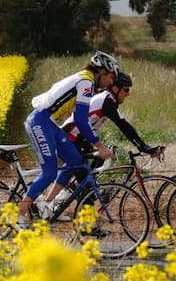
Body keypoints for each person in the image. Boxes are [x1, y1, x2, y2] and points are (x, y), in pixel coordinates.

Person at [36, 71, 164, 218]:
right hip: (70, 137)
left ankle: (53, 204)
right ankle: (77, 219)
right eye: (126, 89)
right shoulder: (107, 101)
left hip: (79, 139)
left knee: (87, 174)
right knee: (87, 184)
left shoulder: (107, 100)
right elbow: (125, 127)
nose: (128, 94)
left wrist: (142, 147)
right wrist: (144, 147)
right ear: (115, 89)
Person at [14, 51, 119, 227]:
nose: (111, 82)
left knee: (75, 161)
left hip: (49, 123)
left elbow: (80, 117)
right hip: (39, 121)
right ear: (101, 72)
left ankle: (47, 206)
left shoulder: (86, 80)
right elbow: (81, 120)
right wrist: (99, 146)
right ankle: (16, 215)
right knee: (49, 172)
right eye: (110, 77)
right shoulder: (86, 82)